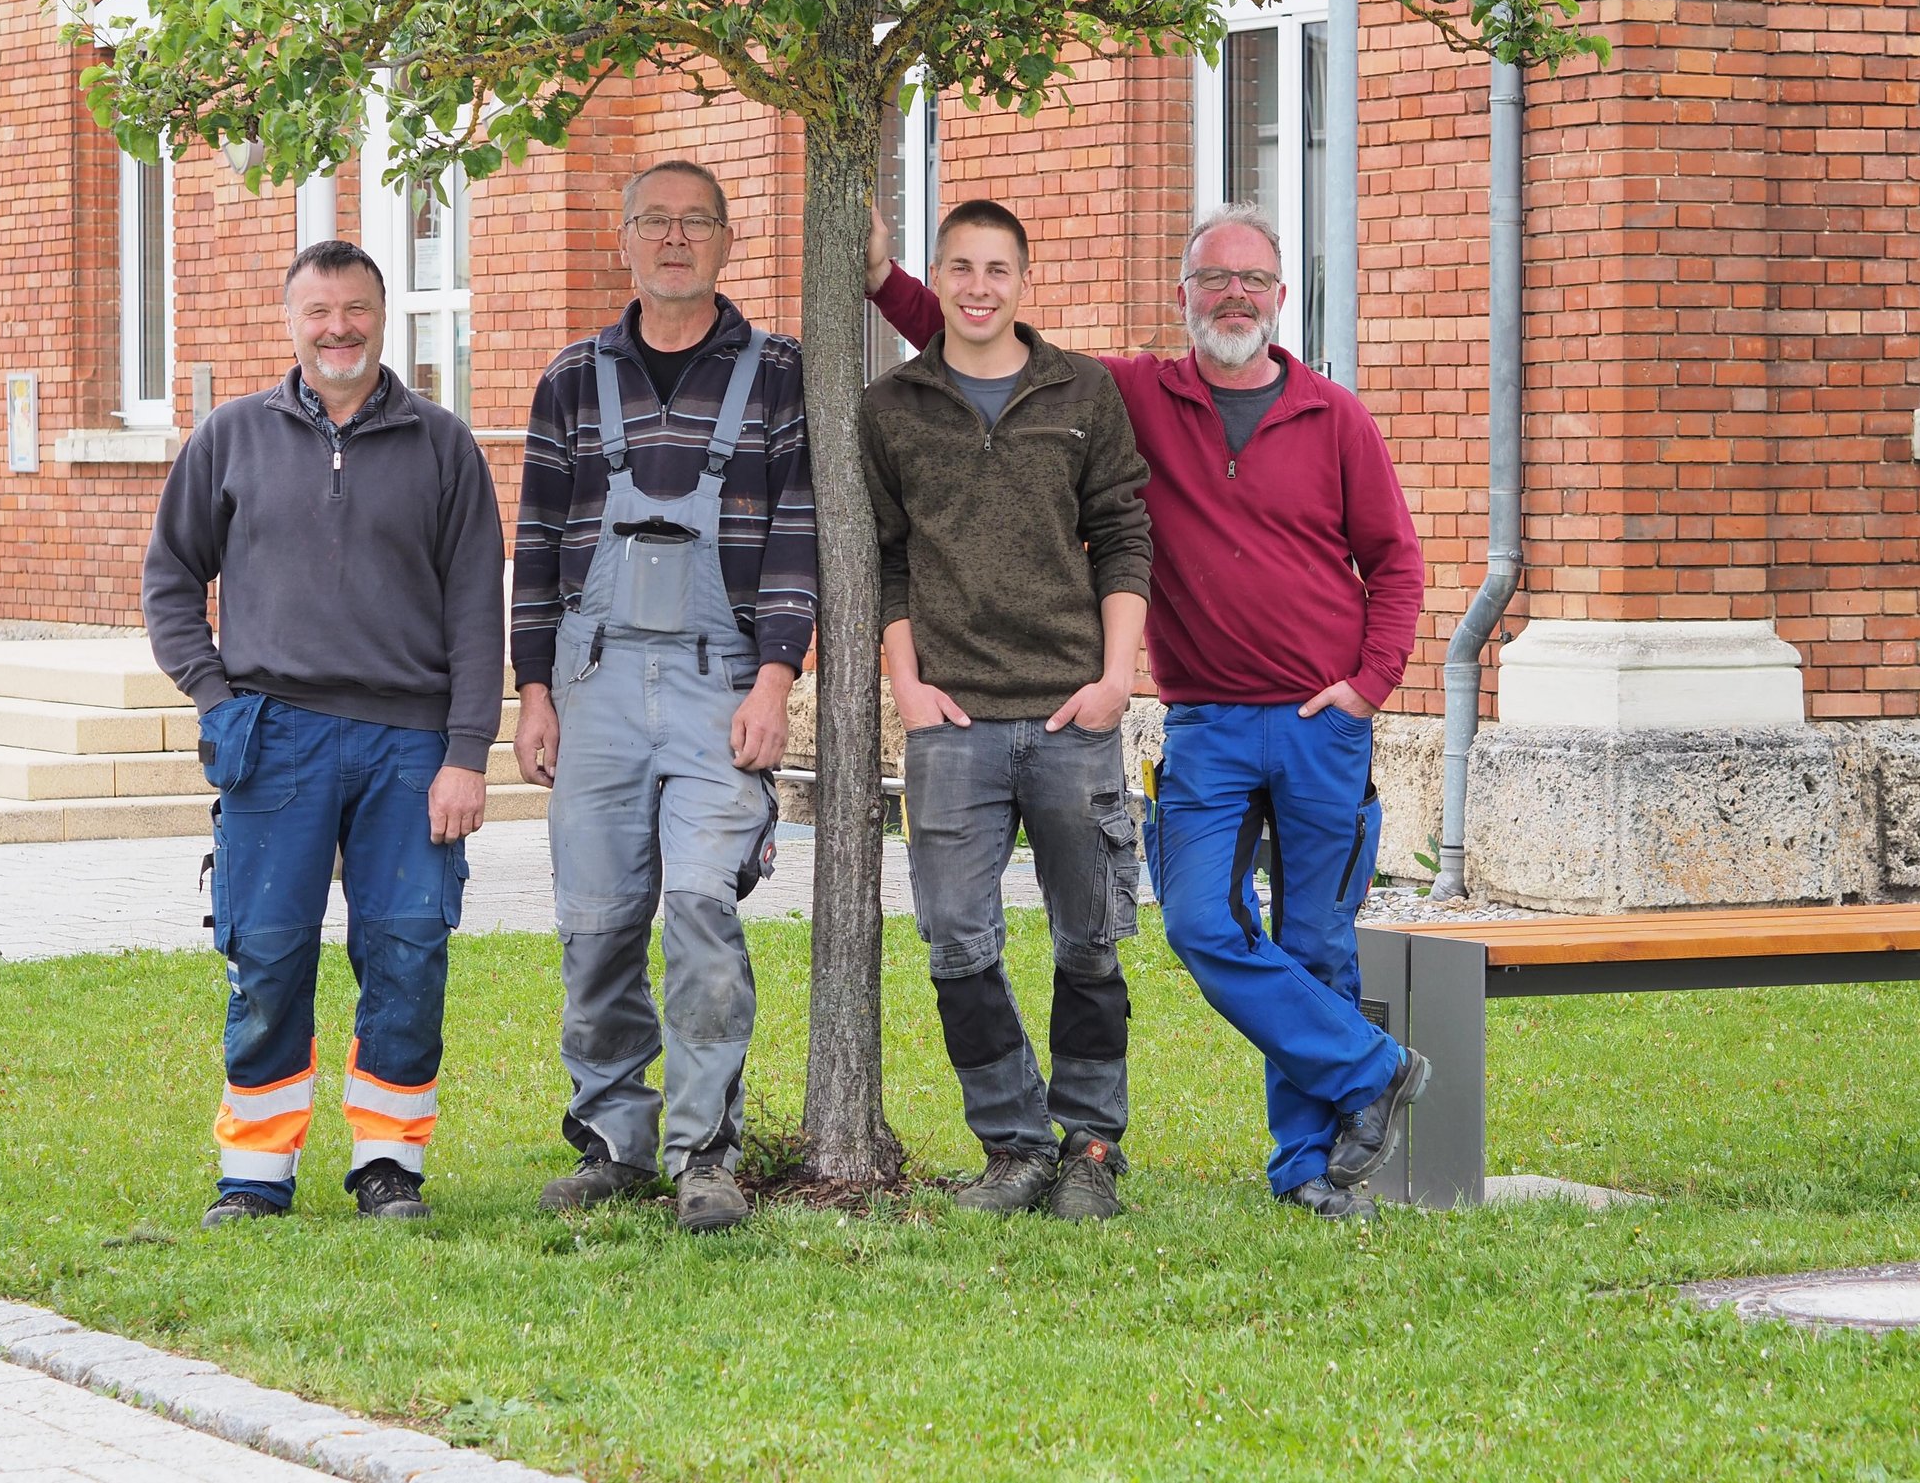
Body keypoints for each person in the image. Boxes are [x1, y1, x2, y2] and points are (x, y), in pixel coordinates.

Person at [868, 203, 1429, 1221]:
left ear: (1280, 299)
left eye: (1254, 281)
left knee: (1317, 945)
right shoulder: (1126, 393)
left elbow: (1394, 562)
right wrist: (882, 278)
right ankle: (1372, 1066)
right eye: (1214, 280)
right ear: (1183, 297)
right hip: (1206, 720)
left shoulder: (1335, 416)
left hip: (1320, 724)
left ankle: (1309, 1166)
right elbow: (981, 336)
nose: (1234, 298)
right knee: (1204, 924)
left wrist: (1368, 687)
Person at [144, 237, 505, 1229]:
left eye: (355, 310)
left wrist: (468, 752)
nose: (337, 328)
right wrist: (214, 697)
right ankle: (254, 1173)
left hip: (409, 747)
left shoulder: (442, 445)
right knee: (265, 953)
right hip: (275, 739)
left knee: (408, 951)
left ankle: (388, 1165)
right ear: (291, 321)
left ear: (381, 319)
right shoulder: (231, 438)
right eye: (319, 312)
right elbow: (172, 575)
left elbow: (479, 609)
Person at [510, 159, 813, 1234]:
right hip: (590, 686)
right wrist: (531, 689)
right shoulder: (569, 380)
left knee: (697, 909)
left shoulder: (778, 375)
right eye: (655, 222)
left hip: (719, 683)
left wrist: (778, 676)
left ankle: (704, 1152)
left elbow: (795, 538)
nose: (675, 240)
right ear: (624, 240)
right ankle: (610, 1138)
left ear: (728, 242)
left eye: (697, 223)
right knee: (595, 923)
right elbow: (537, 543)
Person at [858, 199, 1152, 1220]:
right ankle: (1015, 1143)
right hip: (953, 722)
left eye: (998, 268)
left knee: (1088, 938)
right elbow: (885, 558)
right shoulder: (892, 404)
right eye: (961, 267)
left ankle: (1092, 1146)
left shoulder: (1084, 393)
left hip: (1073, 711)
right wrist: (906, 682)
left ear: (1025, 280)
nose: (979, 286)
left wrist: (1116, 679)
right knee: (956, 940)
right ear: (935, 277)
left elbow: (1122, 536)